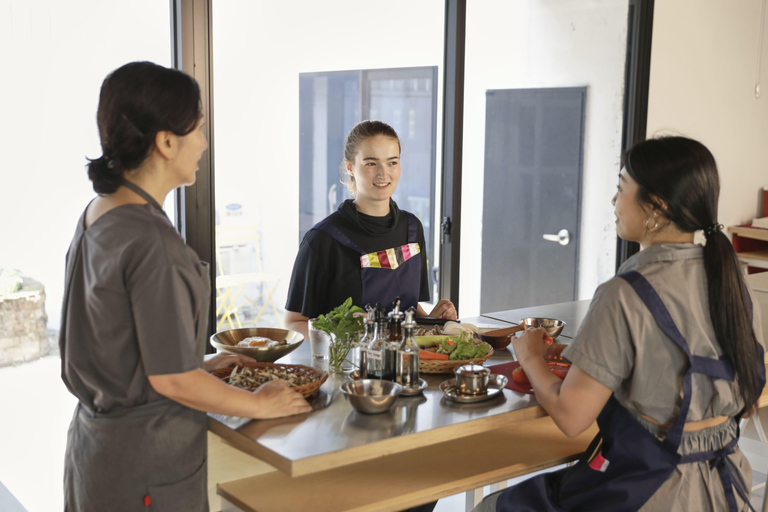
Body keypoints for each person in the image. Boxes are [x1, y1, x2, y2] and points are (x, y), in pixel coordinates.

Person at [59, 61, 311, 512]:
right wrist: (260, 403)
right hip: (146, 464)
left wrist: (205, 362)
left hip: (96, 454)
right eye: (198, 129)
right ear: (166, 141)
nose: (205, 143)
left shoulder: (100, 212)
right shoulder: (150, 240)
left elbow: (122, 340)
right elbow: (172, 379)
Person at [474, 136, 765, 512]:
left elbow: (572, 417)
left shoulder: (624, 293)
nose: (614, 202)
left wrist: (530, 356)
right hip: (727, 488)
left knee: (493, 506)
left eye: (620, 189)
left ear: (656, 207)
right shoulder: (733, 283)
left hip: (653, 491)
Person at [284, 120, 456, 337]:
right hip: (350, 367)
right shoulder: (323, 240)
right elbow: (293, 323)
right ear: (350, 167)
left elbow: (408, 309)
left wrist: (433, 319)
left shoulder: (412, 229)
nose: (383, 174)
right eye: (371, 163)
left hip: (408, 364)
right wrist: (342, 329)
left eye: (392, 162)